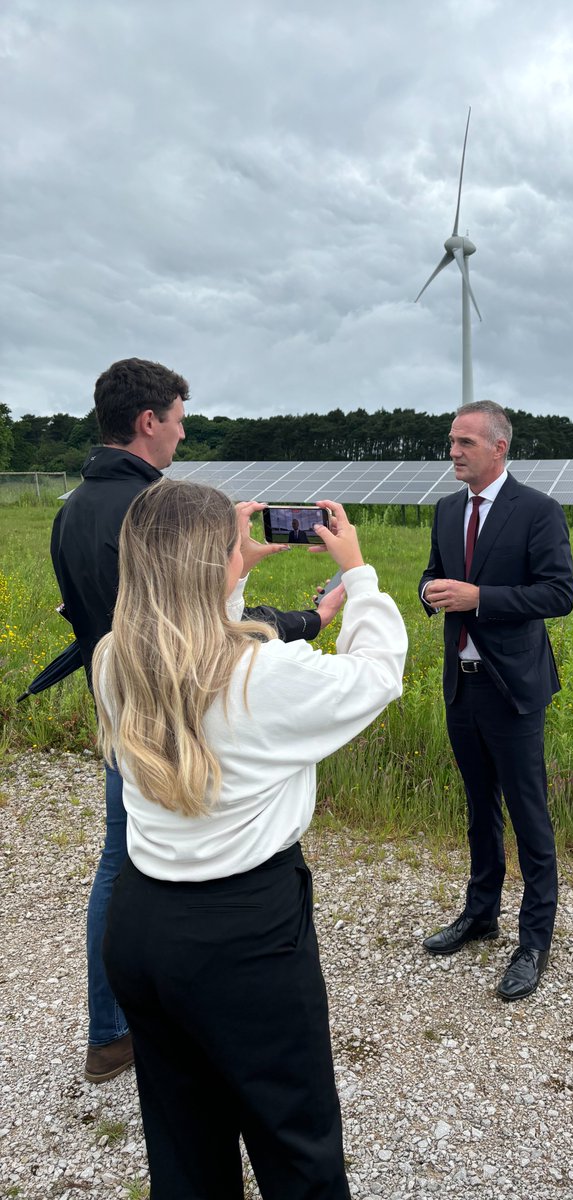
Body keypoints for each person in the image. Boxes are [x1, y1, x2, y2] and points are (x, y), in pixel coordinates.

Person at [94, 480, 406, 1198]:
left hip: (141, 923)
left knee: (184, 1143)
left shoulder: (116, 657)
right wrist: (358, 575)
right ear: (214, 565)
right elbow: (378, 674)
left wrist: (230, 566)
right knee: (294, 1142)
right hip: (244, 933)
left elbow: (190, 636)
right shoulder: (262, 675)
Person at [50, 357, 344, 1083]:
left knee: (120, 863)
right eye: (179, 419)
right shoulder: (153, 511)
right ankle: (167, 1026)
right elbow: (196, 632)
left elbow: (112, 620)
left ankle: (109, 1029)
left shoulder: (70, 509)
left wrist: (235, 570)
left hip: (121, 712)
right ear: (149, 421)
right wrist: (315, 616)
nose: (183, 434)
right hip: (183, 729)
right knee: (170, 872)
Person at [418, 400, 573, 1000]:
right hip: (462, 683)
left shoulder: (537, 510)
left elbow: (558, 594)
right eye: (451, 442)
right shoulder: (445, 509)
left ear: (498, 448)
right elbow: (433, 578)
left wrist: (480, 597)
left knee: (528, 813)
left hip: (514, 688)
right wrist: (431, 594)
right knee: (478, 806)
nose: (453, 452)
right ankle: (481, 912)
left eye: (464, 443)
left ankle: (535, 938)